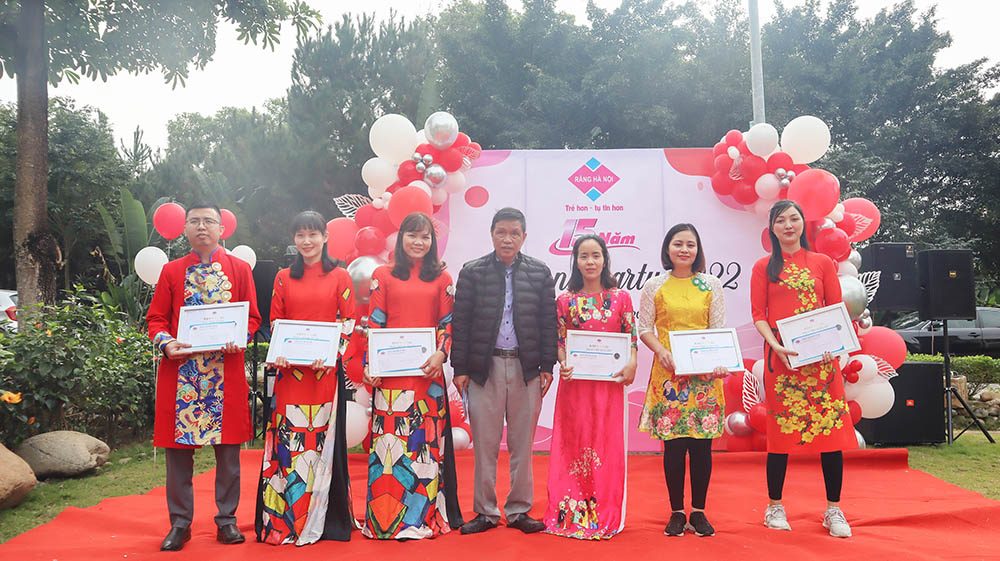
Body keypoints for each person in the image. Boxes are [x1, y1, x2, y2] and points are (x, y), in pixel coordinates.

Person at [146, 202, 261, 551]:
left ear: (221, 229)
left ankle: (226, 520)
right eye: (194, 221)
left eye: (208, 221)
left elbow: (252, 318)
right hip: (182, 374)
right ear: (184, 229)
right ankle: (180, 523)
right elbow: (156, 319)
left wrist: (240, 336)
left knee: (229, 455)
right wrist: (166, 344)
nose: (201, 227)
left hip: (224, 374)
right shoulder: (171, 271)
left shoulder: (240, 269)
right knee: (178, 456)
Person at [750, 199, 856, 538]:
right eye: (781, 220)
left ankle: (834, 510)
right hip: (783, 361)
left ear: (802, 224)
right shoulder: (763, 267)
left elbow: (835, 310)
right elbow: (759, 315)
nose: (788, 225)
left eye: (794, 219)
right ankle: (774, 506)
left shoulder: (822, 263)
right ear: (772, 228)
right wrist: (775, 345)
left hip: (822, 364)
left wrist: (833, 348)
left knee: (831, 435)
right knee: (780, 436)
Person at [451, 207, 557, 535]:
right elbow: (461, 323)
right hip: (485, 367)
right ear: (492, 234)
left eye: (514, 233)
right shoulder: (472, 272)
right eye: (501, 232)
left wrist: (547, 365)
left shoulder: (540, 273)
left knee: (522, 443)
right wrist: (460, 367)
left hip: (527, 368)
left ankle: (519, 509)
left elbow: (548, 323)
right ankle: (485, 511)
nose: (507, 239)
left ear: (524, 237)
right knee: (485, 443)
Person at [256, 210, 357, 545]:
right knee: (290, 443)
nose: (307, 240)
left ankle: (326, 518)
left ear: (325, 237)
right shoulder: (283, 277)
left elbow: (348, 323)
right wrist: (280, 352)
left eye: (313, 234)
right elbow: (276, 322)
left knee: (322, 442)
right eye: (300, 235)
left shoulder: (340, 276)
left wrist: (331, 355)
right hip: (291, 377)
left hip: (325, 375)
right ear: (294, 239)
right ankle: (287, 517)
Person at [361, 212, 463, 540]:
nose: (419, 242)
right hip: (390, 379)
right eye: (412, 235)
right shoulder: (383, 275)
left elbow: (448, 324)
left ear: (432, 242)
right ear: (401, 238)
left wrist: (441, 354)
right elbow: (374, 323)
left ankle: (420, 518)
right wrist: (369, 365)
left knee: (423, 447)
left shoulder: (443, 278)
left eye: (425, 237)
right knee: (389, 450)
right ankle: (385, 520)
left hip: (427, 377)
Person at [542, 234, 637, 540]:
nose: (590, 262)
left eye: (596, 255)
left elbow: (631, 338)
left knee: (605, 445)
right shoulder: (564, 300)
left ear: (605, 259)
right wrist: (563, 362)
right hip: (575, 386)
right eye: (584, 256)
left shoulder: (621, 298)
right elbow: (560, 342)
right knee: (574, 443)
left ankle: (604, 509)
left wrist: (632, 363)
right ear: (576, 261)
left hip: (609, 387)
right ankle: (572, 510)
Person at [637, 223, 728, 538]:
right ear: (668, 248)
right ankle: (676, 511)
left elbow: (717, 330)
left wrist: (719, 362)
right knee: (673, 448)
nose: (684, 250)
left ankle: (699, 512)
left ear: (698, 249)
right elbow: (644, 328)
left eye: (690, 244)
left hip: (705, 379)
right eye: (678, 244)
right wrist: (661, 351)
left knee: (702, 449)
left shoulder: (711, 284)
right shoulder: (655, 285)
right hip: (669, 377)